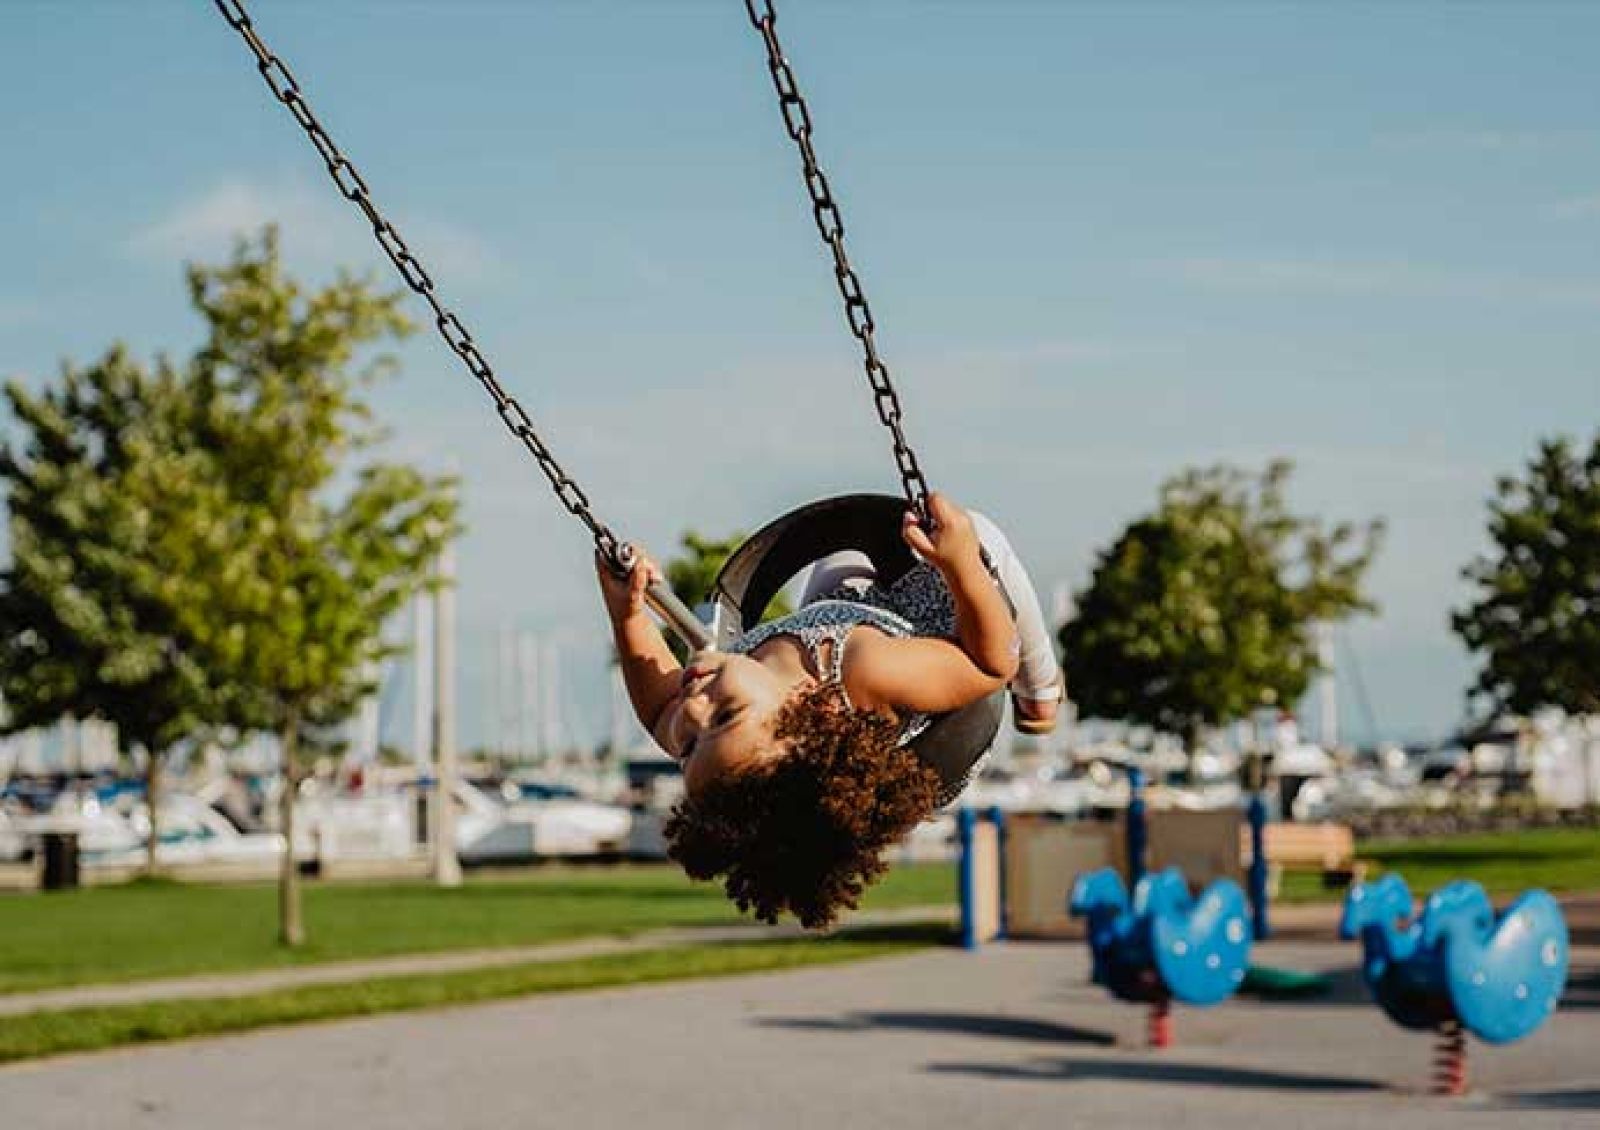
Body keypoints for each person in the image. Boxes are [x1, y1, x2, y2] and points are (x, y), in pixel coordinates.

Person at [597, 492, 1063, 928]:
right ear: (811, 713)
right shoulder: (866, 672)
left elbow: (660, 711)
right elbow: (988, 665)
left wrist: (628, 614)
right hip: (946, 634)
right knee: (979, 538)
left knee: (844, 552)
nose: (693, 708)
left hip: (842, 613)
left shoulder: (736, 711)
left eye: (690, 744)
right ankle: (1042, 686)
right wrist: (960, 565)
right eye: (725, 715)